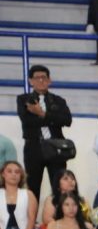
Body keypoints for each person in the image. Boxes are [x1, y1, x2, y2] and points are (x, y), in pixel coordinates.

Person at [16, 65, 72, 199]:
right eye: (37, 78)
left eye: (44, 77)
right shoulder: (23, 99)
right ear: (30, 81)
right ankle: (32, 213)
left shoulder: (58, 100)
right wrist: (52, 119)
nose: (41, 80)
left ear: (49, 80)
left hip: (56, 147)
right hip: (33, 147)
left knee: (60, 186)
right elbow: (27, 121)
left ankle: (59, 212)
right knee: (32, 187)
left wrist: (42, 113)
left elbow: (67, 120)